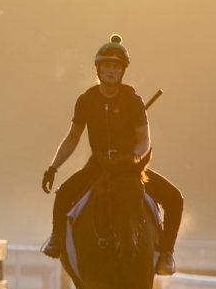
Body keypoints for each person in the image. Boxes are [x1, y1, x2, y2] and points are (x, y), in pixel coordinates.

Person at [39, 34, 183, 275]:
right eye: (106, 65)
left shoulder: (133, 101)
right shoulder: (86, 101)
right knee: (64, 193)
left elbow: (144, 141)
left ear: (122, 72)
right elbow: (73, 137)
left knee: (174, 198)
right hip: (99, 165)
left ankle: (166, 253)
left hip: (129, 167)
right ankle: (56, 239)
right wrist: (53, 167)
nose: (111, 71)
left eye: (116, 67)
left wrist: (130, 161)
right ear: (98, 69)